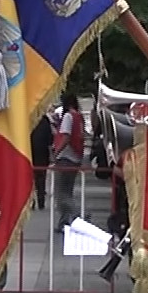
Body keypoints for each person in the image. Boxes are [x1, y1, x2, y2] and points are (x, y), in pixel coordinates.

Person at [50, 92, 86, 227]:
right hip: (75, 157)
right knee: (68, 191)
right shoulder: (79, 116)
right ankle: (64, 221)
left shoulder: (68, 117)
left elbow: (66, 137)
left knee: (61, 194)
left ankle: (79, 215)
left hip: (65, 157)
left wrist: (56, 153)